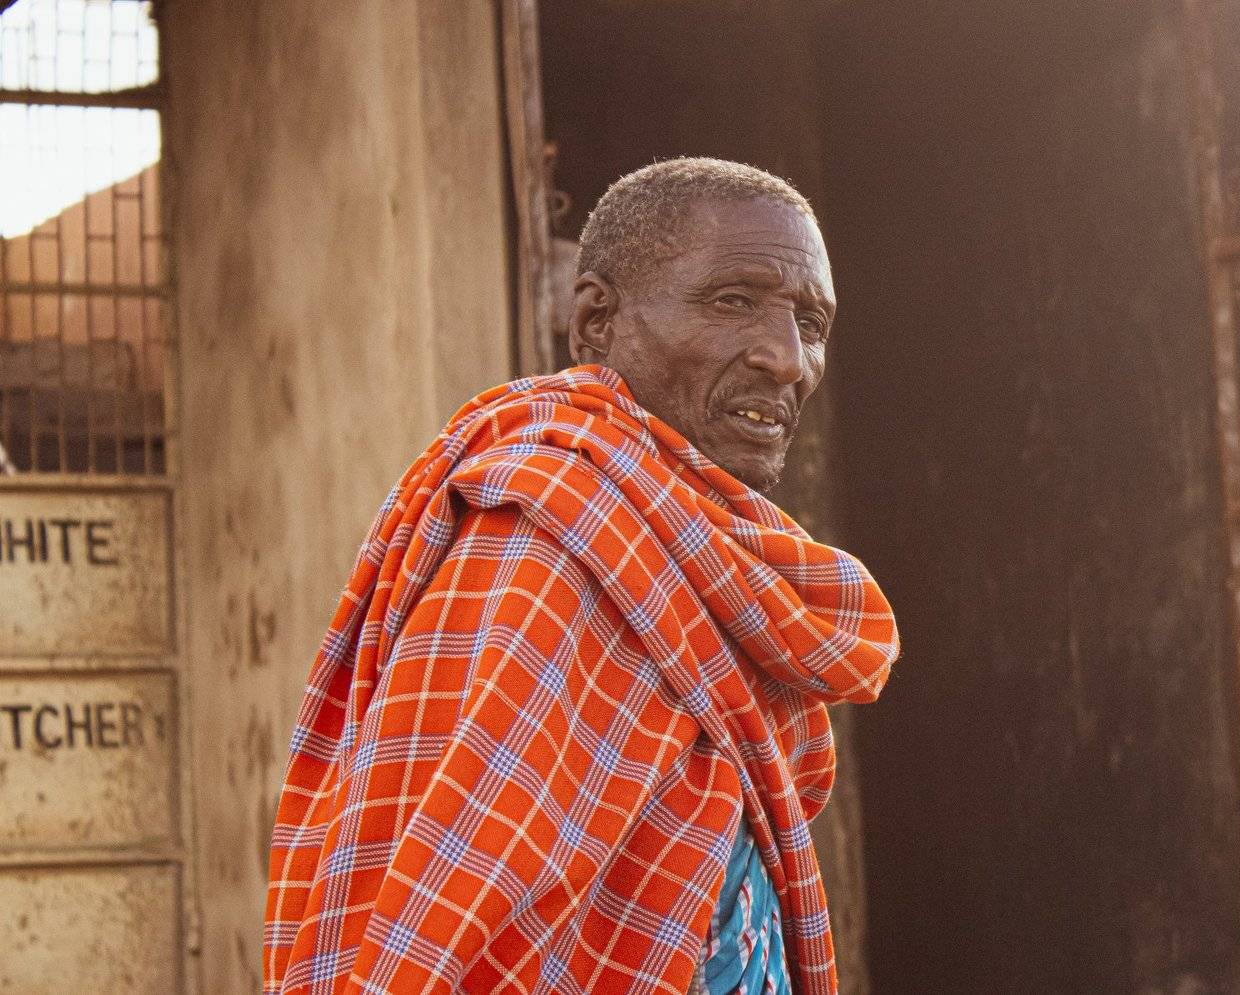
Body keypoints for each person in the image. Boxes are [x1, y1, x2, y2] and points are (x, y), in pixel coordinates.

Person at [263, 158, 900, 995]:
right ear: (597, 321)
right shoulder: (544, 544)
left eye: (809, 321)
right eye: (733, 301)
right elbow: (436, 935)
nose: (787, 358)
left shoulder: (703, 551)